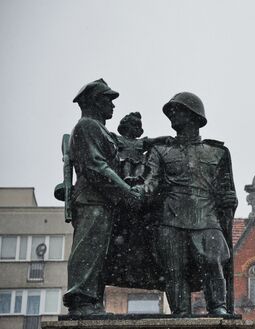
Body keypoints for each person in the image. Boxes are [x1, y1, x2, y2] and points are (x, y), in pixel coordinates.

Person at [142, 92, 237, 316]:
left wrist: (231, 201)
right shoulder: (160, 151)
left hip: (207, 218)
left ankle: (218, 307)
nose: (172, 115)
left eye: (178, 110)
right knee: (174, 271)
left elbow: (227, 191)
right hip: (171, 220)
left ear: (194, 116)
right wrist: (135, 191)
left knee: (213, 263)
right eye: (170, 111)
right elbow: (150, 183)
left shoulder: (218, 152)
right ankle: (181, 314)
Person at [63, 79, 143, 316]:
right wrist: (126, 191)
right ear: (95, 102)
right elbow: (97, 167)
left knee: (98, 253)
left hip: (102, 202)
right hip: (92, 201)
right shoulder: (88, 126)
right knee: (88, 249)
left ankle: (91, 300)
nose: (113, 106)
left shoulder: (98, 129)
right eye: (108, 99)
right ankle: (81, 300)